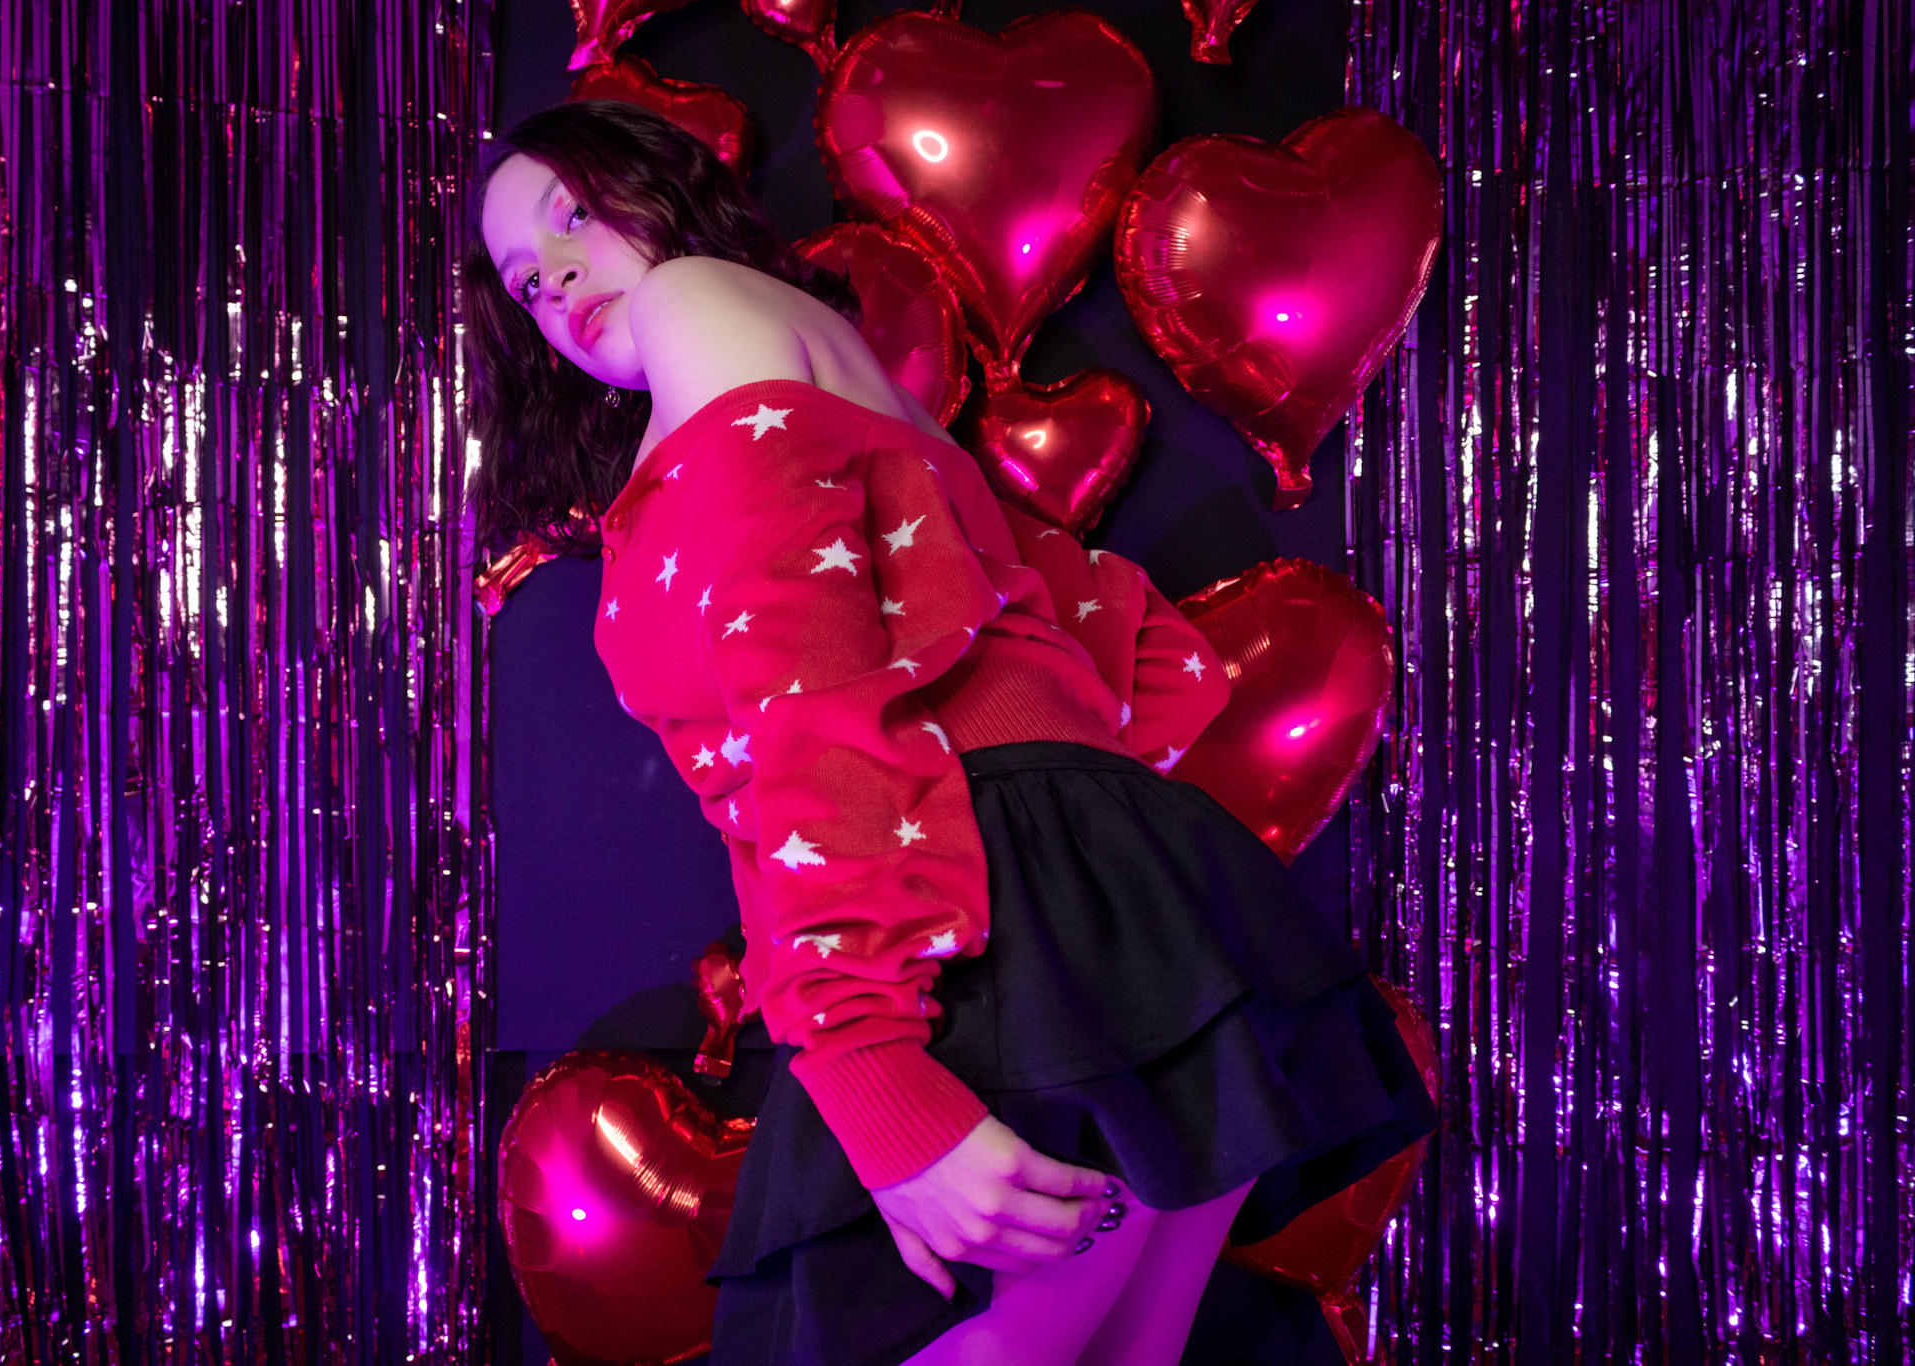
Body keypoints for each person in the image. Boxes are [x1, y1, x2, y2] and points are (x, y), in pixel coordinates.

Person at [466, 99, 1439, 1366]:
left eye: (574, 215)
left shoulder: (691, 299)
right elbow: (1106, 660)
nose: (556, 279)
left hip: (985, 905)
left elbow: (802, 682)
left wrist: (868, 1067)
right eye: (524, 279)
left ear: (661, 194)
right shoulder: (841, 387)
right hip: (1113, 903)